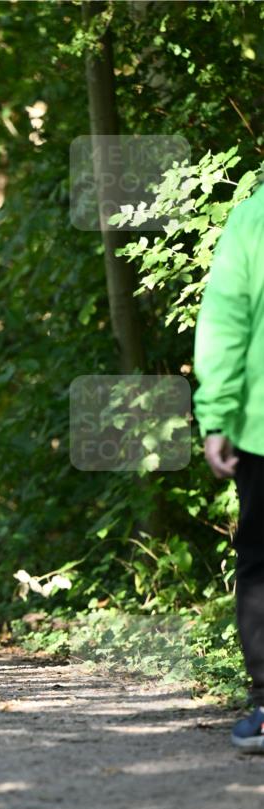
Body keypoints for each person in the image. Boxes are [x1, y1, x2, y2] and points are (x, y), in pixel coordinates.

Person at [194, 180, 264, 753]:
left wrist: (216, 417)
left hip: (261, 427)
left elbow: (226, 325)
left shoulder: (253, 218)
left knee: (262, 563)